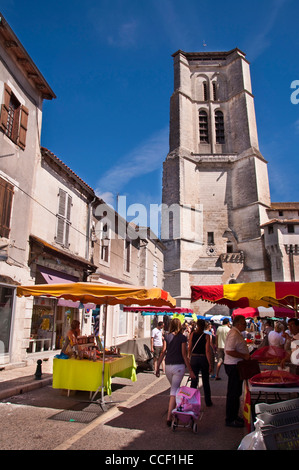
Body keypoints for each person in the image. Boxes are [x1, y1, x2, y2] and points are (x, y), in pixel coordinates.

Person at [156, 318, 195, 426]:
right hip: (178, 366)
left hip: (168, 366)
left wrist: (158, 366)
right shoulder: (182, 338)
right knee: (174, 391)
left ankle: (175, 410)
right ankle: (169, 417)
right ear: (179, 326)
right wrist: (190, 370)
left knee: (174, 389)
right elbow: (184, 354)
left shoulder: (167, 337)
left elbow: (163, 351)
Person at [224, 315, 250, 428]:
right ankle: (230, 418)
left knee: (236, 392)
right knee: (233, 393)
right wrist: (243, 355)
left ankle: (234, 416)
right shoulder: (234, 334)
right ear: (238, 324)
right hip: (233, 366)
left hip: (235, 365)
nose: (245, 325)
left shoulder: (235, 333)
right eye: (244, 323)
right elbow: (229, 350)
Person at [188, 319, 213, 407]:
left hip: (194, 358)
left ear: (197, 325)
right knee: (205, 381)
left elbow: (189, 347)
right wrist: (210, 364)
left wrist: (189, 357)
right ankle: (208, 401)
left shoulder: (192, 334)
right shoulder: (206, 336)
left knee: (194, 381)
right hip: (203, 358)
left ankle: (192, 401)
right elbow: (207, 351)